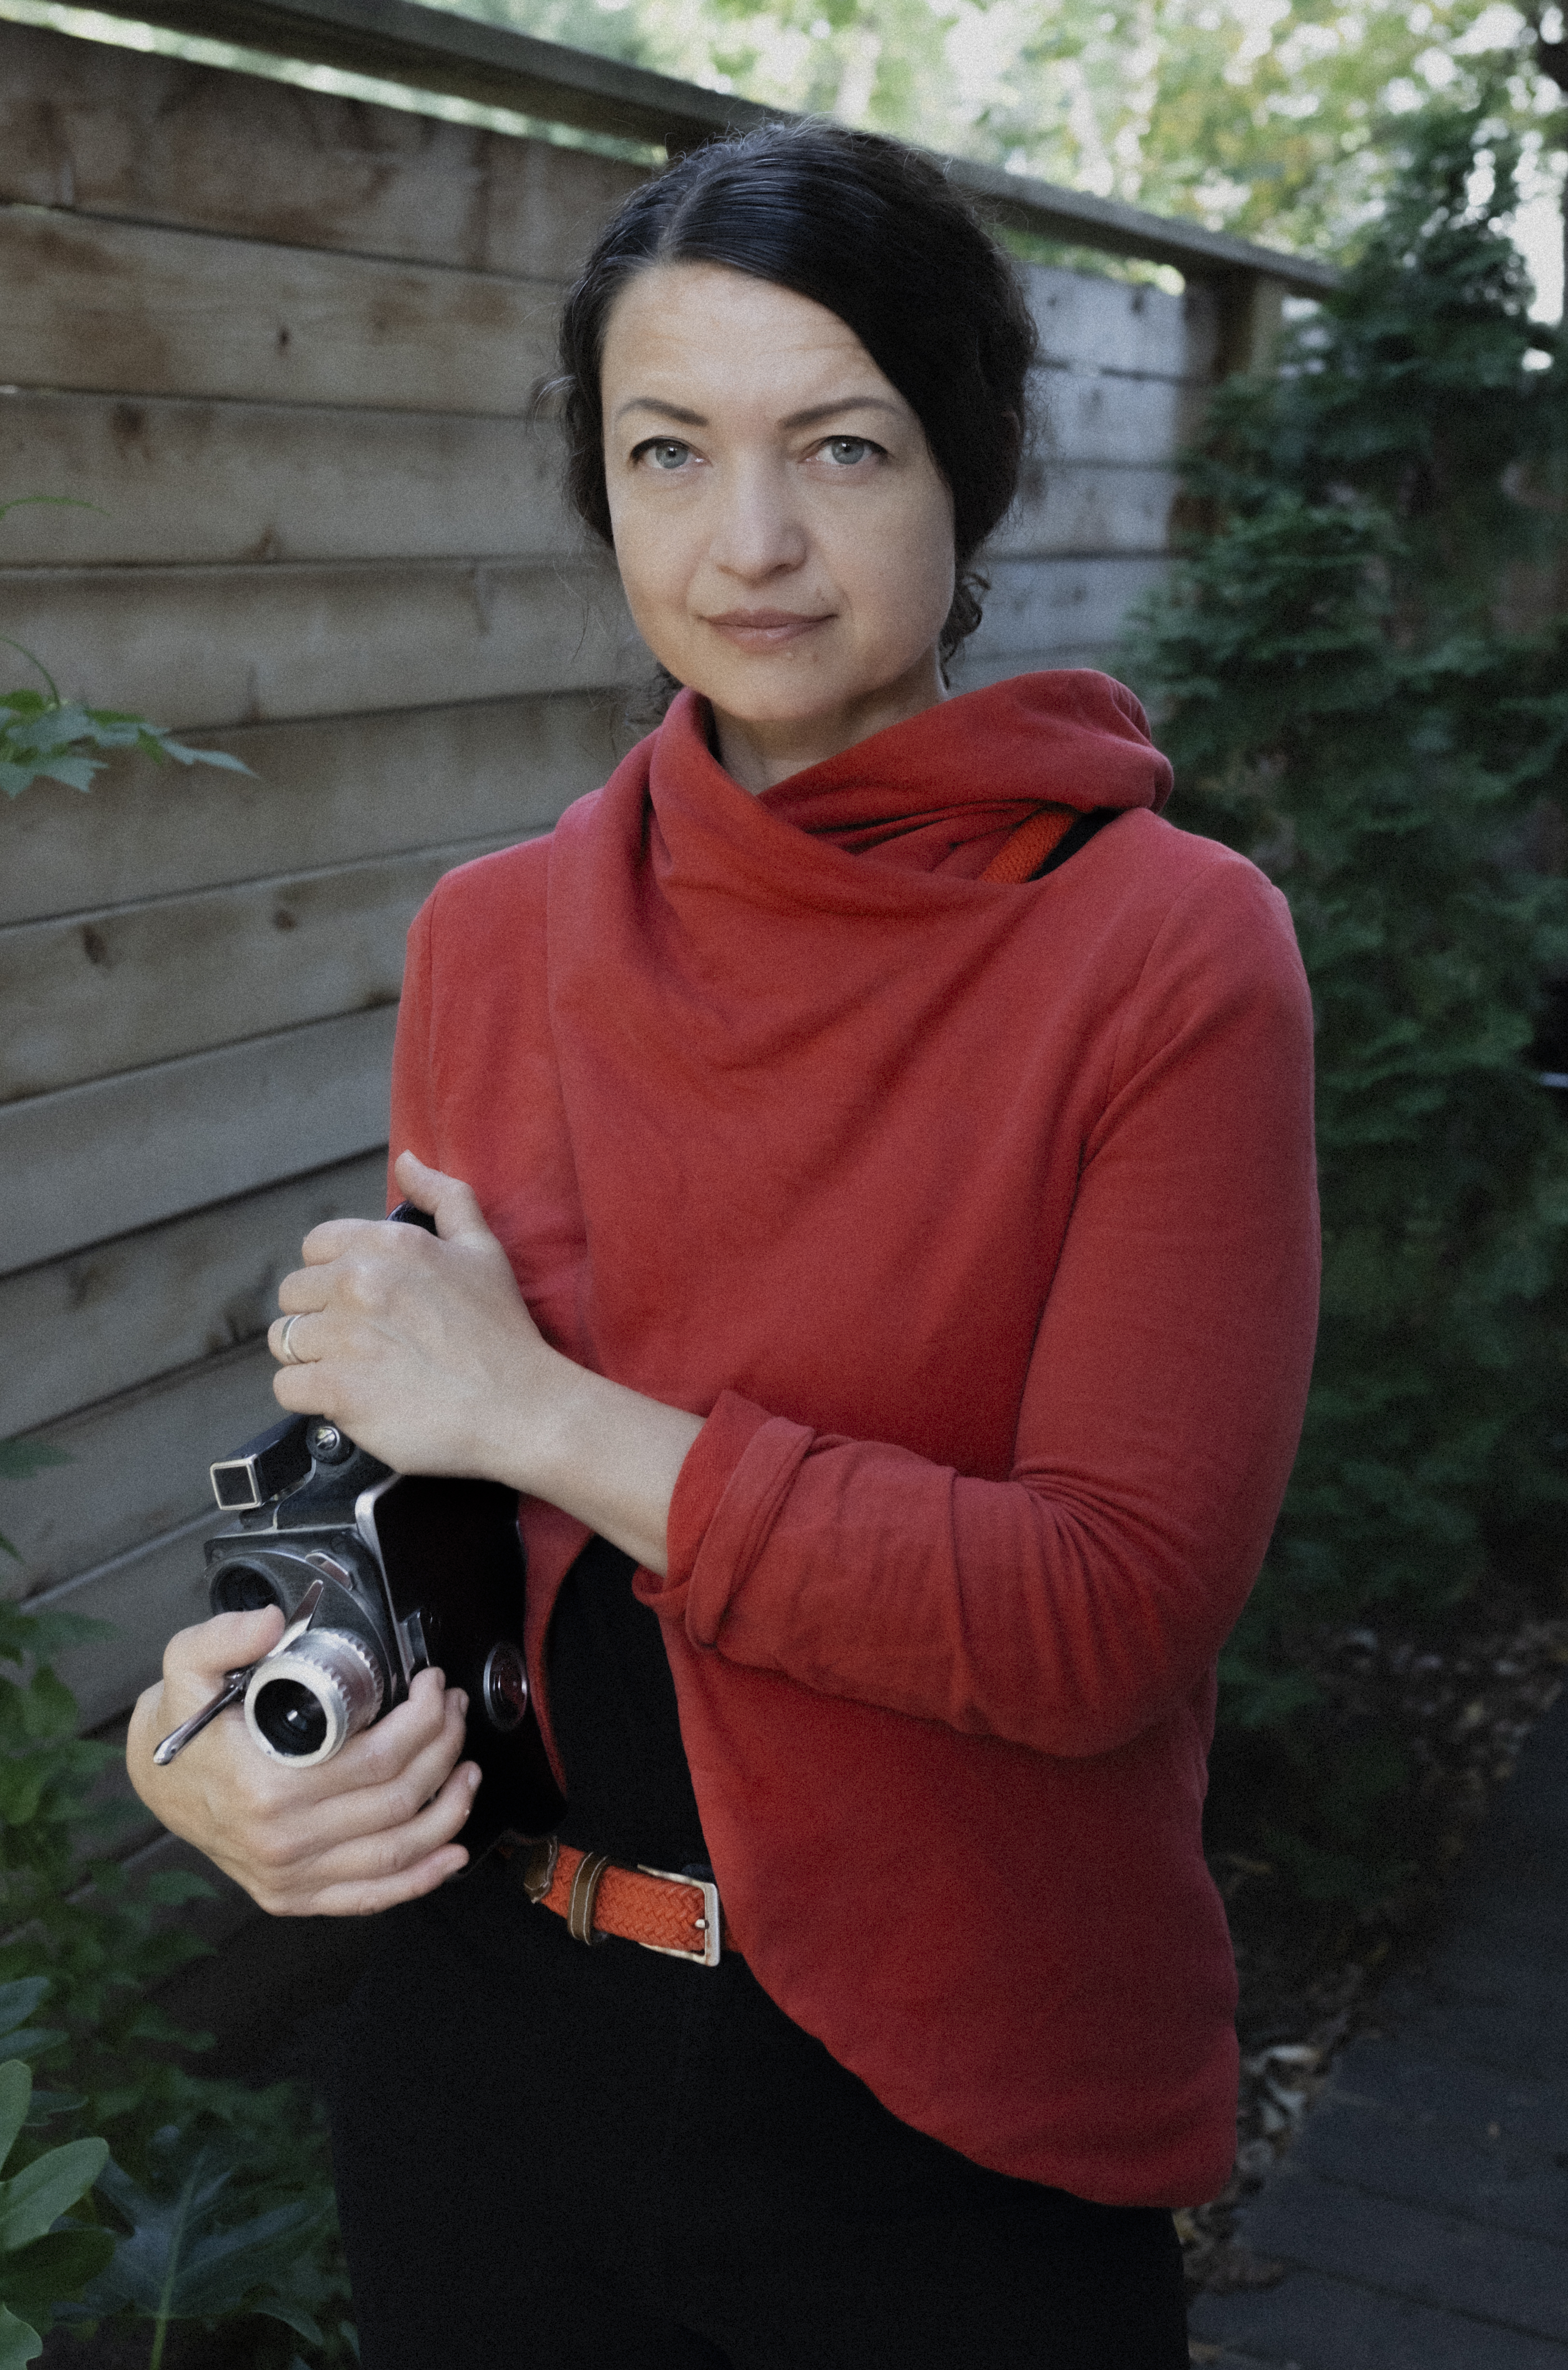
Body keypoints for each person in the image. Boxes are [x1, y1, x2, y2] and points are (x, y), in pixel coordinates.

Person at [127, 121, 1319, 2370]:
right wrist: (215, 1727)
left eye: (838, 448)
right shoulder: (503, 935)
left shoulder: (1165, 955)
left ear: (964, 469)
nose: (747, 542)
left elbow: (1099, 1618)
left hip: (944, 2122)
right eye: (666, 451)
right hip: (496, 2068)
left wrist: (548, 1412)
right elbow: (419, 1493)